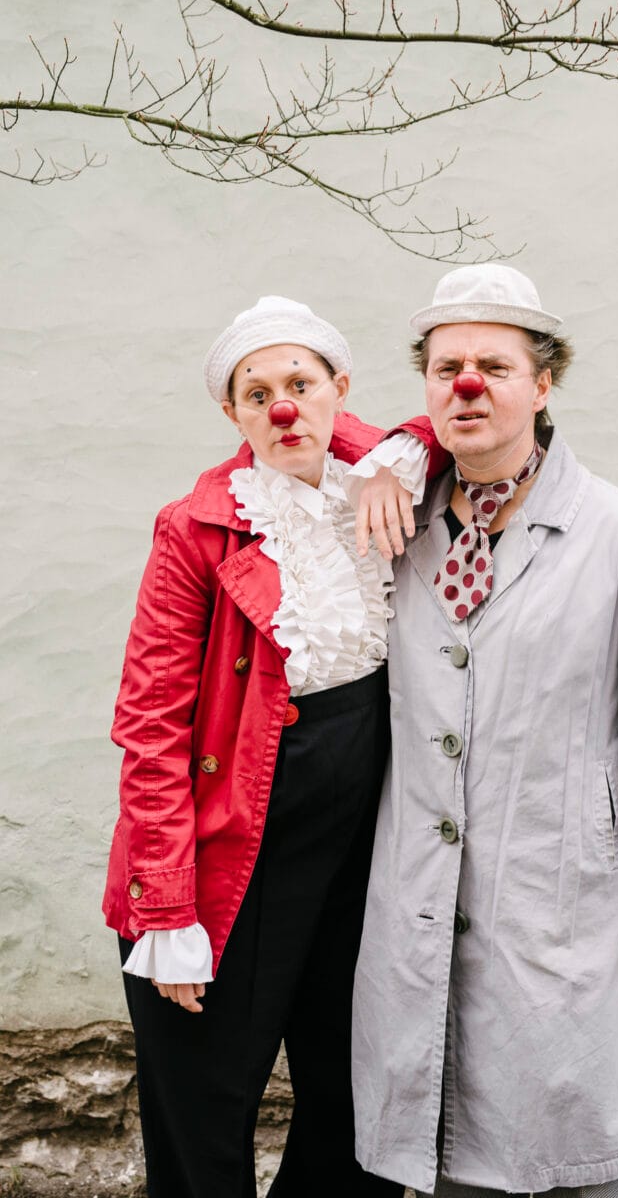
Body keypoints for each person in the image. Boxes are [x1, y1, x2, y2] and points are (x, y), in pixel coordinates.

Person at [350, 265, 618, 1198]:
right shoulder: (395, 526)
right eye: (445, 368)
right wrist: (387, 457)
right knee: (451, 1147)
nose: (466, 385)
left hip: (573, 898)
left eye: (494, 366)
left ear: (543, 383)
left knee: (584, 1147)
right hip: (426, 893)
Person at [101, 295, 444, 1198]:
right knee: (204, 1110)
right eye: (257, 394)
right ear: (233, 414)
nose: (283, 406)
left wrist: (406, 449)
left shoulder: (382, 478)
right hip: (228, 853)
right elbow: (150, 722)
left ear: (340, 387)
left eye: (301, 383)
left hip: (358, 857)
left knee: (354, 1101)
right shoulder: (196, 527)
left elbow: (462, 424)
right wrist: (167, 907)